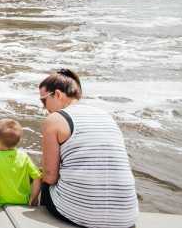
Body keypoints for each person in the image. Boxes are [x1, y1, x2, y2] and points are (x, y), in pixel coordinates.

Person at [38, 69, 137, 228]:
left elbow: (50, 176)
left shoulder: (55, 119)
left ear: (57, 94)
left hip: (83, 215)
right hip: (126, 217)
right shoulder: (105, 115)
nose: (44, 107)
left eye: (44, 100)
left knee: (43, 178)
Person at [0, 118, 42, 207]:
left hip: (0, 203)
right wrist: (33, 198)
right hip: (23, 202)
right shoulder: (24, 156)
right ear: (19, 140)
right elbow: (37, 177)